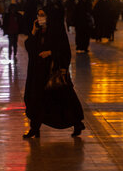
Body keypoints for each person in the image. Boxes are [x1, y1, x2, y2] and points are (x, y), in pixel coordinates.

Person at [22, 8, 85, 138]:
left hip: (52, 71)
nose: (40, 18)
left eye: (42, 15)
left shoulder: (56, 31)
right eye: (38, 15)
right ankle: (35, 128)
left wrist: (50, 53)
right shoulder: (39, 31)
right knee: (36, 99)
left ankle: (77, 123)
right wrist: (33, 32)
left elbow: (64, 51)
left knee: (63, 99)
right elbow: (29, 47)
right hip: (38, 71)